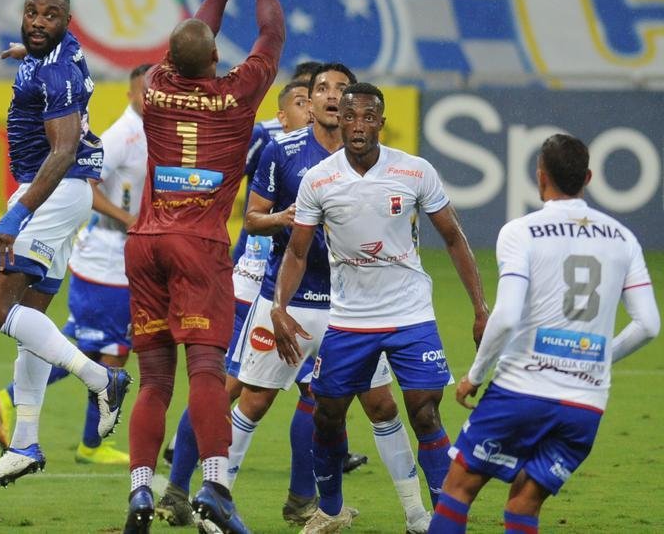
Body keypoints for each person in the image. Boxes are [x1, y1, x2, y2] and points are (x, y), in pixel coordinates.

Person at [218, 65, 432, 534]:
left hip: (352, 309)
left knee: (379, 405)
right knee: (253, 400)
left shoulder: (381, 165)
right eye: (321, 89)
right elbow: (251, 219)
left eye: (340, 89)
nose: (331, 96)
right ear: (310, 102)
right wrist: (287, 218)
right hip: (291, 302)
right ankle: (215, 502)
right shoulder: (283, 152)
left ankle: (416, 514)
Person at [270, 82, 489, 534]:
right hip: (350, 319)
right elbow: (295, 252)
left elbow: (453, 237)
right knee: (327, 414)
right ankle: (330, 510)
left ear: (380, 123)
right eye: (351, 116)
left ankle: (444, 521)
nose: (359, 126)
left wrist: (480, 308)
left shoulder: (414, 171)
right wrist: (279, 306)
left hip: (410, 314)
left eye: (369, 118)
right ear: (340, 120)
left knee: (425, 412)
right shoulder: (320, 179)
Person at [122, 0, 285, 533]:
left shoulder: (156, 89)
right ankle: (215, 487)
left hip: (145, 242)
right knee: (208, 372)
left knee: (155, 380)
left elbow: (193, 34)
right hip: (200, 245)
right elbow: (271, 34)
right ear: (216, 58)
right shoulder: (238, 94)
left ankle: (141, 492)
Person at [427, 134, 659, 534]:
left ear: (540, 177)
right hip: (585, 403)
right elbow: (649, 325)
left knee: (459, 488)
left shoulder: (522, 232)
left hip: (522, 390)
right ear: (587, 177)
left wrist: (475, 376)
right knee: (524, 503)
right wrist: (600, 360)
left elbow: (506, 315)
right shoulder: (623, 239)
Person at [0, 0, 131, 491]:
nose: (38, 22)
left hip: (55, 190)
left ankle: (100, 379)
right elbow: (57, 61)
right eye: (31, 13)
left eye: (50, 16)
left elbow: (62, 150)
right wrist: (29, 53)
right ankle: (24, 442)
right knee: (31, 322)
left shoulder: (56, 70)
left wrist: (17, 214)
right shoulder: (57, 53)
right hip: (65, 196)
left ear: (67, 20)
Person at [157, 74, 316, 527]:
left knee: (319, 394)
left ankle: (303, 498)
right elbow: (223, 183)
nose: (315, 106)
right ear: (285, 111)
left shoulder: (334, 154)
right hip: (252, 285)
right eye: (303, 100)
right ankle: (178, 488)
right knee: (224, 389)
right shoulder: (267, 141)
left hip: (310, 294)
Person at [0, 64, 150, 467]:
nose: (149, 97)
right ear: (129, 94)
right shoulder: (123, 137)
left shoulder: (149, 135)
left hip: (102, 248)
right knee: (108, 349)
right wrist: (129, 220)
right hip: (104, 256)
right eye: (143, 90)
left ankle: (33, 436)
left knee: (80, 338)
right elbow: (87, 187)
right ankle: (84, 432)